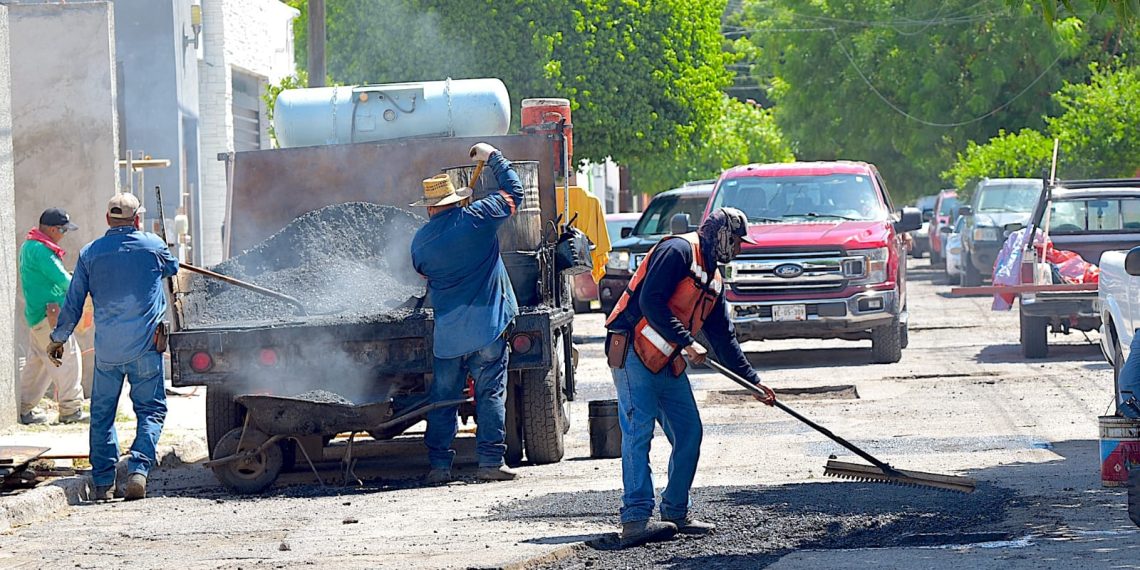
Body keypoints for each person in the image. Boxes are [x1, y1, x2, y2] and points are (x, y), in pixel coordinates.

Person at [604, 207, 777, 548]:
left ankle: (675, 511)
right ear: (721, 236)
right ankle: (635, 519)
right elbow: (651, 301)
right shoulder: (678, 251)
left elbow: (723, 337)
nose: (739, 249)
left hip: (666, 359)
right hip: (633, 352)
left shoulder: (714, 279)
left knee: (689, 432)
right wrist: (686, 342)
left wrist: (752, 382)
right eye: (736, 241)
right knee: (639, 431)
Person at [48, 193, 179, 501]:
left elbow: (74, 301)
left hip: (107, 351)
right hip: (146, 348)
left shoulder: (89, 253)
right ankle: (138, 470)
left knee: (102, 415)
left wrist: (59, 338)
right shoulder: (153, 246)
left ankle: (104, 483)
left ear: (108, 219)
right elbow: (172, 269)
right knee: (151, 411)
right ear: (137, 220)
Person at [410, 142, 525, 484]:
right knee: (490, 393)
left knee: (443, 398)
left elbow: (423, 276)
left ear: (430, 208)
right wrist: (493, 157)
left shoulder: (421, 242)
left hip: (449, 336)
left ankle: (439, 466)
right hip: (488, 327)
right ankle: (490, 462)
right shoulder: (480, 216)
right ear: (456, 200)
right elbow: (515, 192)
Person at [18, 208, 87, 425]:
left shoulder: (29, 246)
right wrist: (83, 287)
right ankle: (71, 409)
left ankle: (22, 408)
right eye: (62, 230)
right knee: (68, 359)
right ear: (51, 229)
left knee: (38, 366)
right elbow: (63, 280)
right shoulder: (41, 250)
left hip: (38, 316)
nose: (64, 235)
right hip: (51, 317)